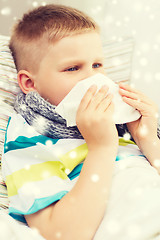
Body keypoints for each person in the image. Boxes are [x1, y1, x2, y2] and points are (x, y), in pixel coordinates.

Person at [2, 4, 160, 240]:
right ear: (29, 83)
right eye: (72, 68)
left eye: (97, 65)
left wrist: (146, 138)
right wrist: (101, 147)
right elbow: (63, 234)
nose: (94, 78)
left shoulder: (121, 122)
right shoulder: (27, 141)